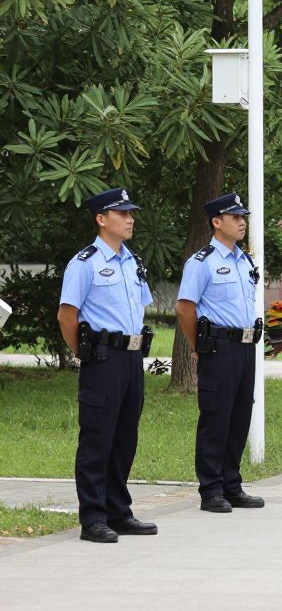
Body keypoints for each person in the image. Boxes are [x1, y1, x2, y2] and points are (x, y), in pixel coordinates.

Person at [56, 188, 157, 544]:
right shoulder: (84, 263)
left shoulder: (132, 262)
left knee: (125, 438)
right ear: (101, 219)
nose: (130, 219)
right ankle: (93, 518)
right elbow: (66, 315)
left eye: (131, 213)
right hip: (102, 358)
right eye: (122, 213)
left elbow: (140, 307)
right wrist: (84, 352)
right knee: (98, 438)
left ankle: (118, 511)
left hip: (132, 358)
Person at [176, 193, 265, 513]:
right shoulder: (202, 262)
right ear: (216, 222)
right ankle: (211, 489)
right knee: (216, 418)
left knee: (240, 416)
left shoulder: (245, 261)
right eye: (235, 217)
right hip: (218, 347)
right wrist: (197, 345)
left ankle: (232, 485)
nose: (242, 222)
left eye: (243, 217)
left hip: (245, 347)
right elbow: (185, 307)